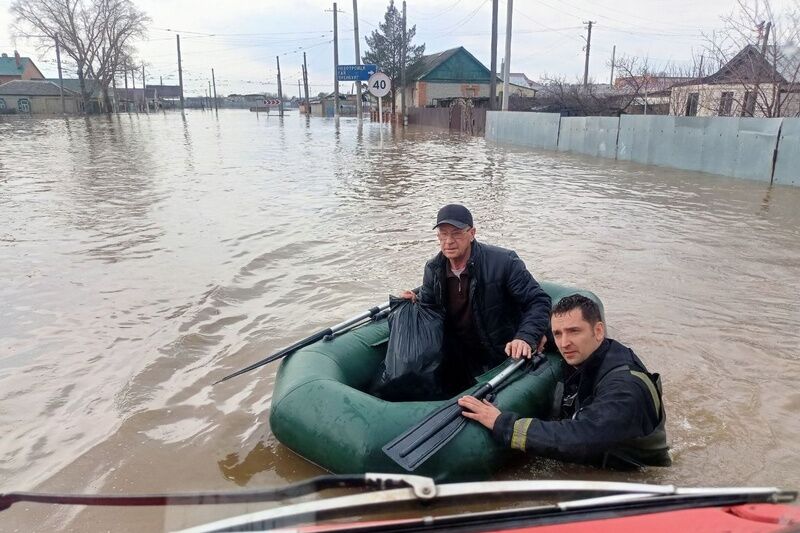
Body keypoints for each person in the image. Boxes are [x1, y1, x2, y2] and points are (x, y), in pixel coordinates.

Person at [458, 293, 671, 469]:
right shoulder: (591, 352)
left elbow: (581, 439)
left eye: (574, 331)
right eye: (557, 334)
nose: (564, 343)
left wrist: (504, 425)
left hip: (634, 478)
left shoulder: (624, 389)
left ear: (598, 331)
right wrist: (532, 337)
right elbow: (556, 339)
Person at [401, 204, 552, 394]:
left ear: (472, 233)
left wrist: (525, 337)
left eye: (456, 233)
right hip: (461, 353)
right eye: (443, 234)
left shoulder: (504, 262)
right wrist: (416, 302)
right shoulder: (433, 269)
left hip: (501, 351)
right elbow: (430, 308)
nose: (448, 241)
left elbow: (538, 301)